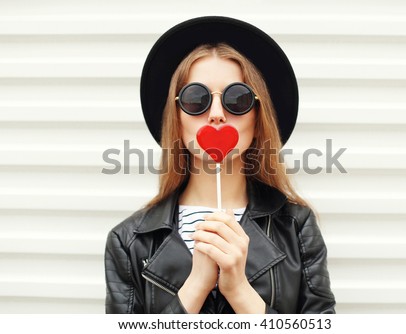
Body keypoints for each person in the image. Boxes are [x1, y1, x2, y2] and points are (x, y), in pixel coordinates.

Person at [105, 16, 335, 314]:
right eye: (196, 98)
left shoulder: (296, 226)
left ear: (257, 116)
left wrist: (239, 290)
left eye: (236, 99)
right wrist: (197, 284)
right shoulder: (128, 241)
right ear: (176, 117)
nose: (215, 114)